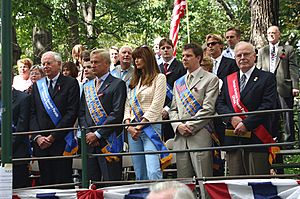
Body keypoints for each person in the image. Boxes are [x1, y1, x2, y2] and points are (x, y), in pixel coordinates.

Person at [216, 41, 279, 176]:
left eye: (246, 54)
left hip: (256, 139)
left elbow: (268, 105)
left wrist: (246, 123)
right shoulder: (228, 80)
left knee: (258, 183)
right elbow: (220, 104)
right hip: (234, 139)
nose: (242, 58)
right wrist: (232, 118)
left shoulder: (267, 78)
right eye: (239, 55)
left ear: (254, 56)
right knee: (236, 185)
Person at [169, 43, 219, 198]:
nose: (184, 59)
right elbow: (173, 110)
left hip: (199, 135)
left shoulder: (211, 79)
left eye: (188, 56)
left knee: (204, 180)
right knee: (184, 184)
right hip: (181, 137)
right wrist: (178, 126)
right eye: (183, 56)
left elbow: (208, 109)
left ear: (198, 58)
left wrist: (189, 126)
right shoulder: (178, 83)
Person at [30, 51, 80, 185]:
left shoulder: (70, 83)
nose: (45, 66)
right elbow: (32, 113)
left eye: (49, 63)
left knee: (62, 182)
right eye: (43, 64)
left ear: (58, 64)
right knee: (45, 182)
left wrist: (53, 136)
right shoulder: (37, 86)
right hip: (41, 143)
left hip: (61, 141)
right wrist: (38, 136)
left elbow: (71, 112)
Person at [124, 45, 171, 180]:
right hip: (133, 130)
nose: (136, 61)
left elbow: (157, 105)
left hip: (150, 128)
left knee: (153, 171)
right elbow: (127, 105)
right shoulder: (134, 81)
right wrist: (129, 126)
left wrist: (139, 126)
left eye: (139, 57)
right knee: (140, 173)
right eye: (135, 58)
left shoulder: (159, 78)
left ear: (148, 59)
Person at [78, 49, 126, 181]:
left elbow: (117, 114)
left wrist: (98, 134)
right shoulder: (87, 86)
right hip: (89, 142)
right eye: (91, 62)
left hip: (109, 141)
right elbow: (82, 113)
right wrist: (88, 133)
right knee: (91, 184)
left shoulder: (118, 84)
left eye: (96, 62)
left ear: (106, 63)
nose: (92, 65)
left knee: (111, 183)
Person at [257, 25, 299, 143]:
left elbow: (293, 69)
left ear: (279, 34)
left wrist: (295, 86)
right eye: (269, 33)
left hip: (284, 87)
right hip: (267, 89)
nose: (271, 35)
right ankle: (273, 141)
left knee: (287, 116)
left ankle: (290, 143)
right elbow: (259, 69)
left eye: (274, 33)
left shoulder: (287, 49)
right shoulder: (262, 51)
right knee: (270, 116)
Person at [158, 38, 186, 141]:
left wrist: (167, 108)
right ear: (160, 51)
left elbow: (182, 91)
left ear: (173, 49)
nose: (166, 50)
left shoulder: (181, 67)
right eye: (163, 48)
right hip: (159, 111)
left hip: (175, 109)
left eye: (168, 47)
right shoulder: (157, 68)